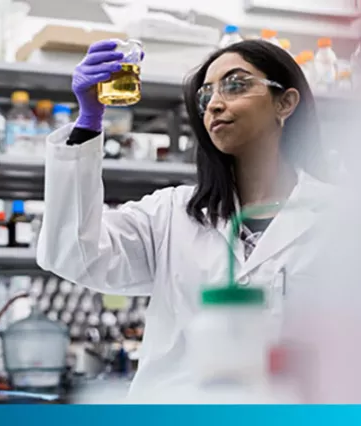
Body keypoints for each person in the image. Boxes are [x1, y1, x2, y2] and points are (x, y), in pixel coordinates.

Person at [37, 39, 332, 400]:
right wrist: (88, 123)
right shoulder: (172, 214)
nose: (216, 105)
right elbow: (73, 252)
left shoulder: (342, 218)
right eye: (206, 97)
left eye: (236, 85)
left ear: (285, 102)